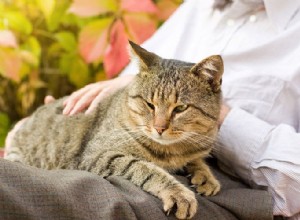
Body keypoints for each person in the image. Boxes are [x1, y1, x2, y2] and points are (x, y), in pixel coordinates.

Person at [3, 0, 300, 219]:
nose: (160, 124)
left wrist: (218, 117)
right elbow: (132, 84)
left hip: (223, 192)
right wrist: (53, 120)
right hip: (115, 155)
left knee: (14, 189)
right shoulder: (198, 7)